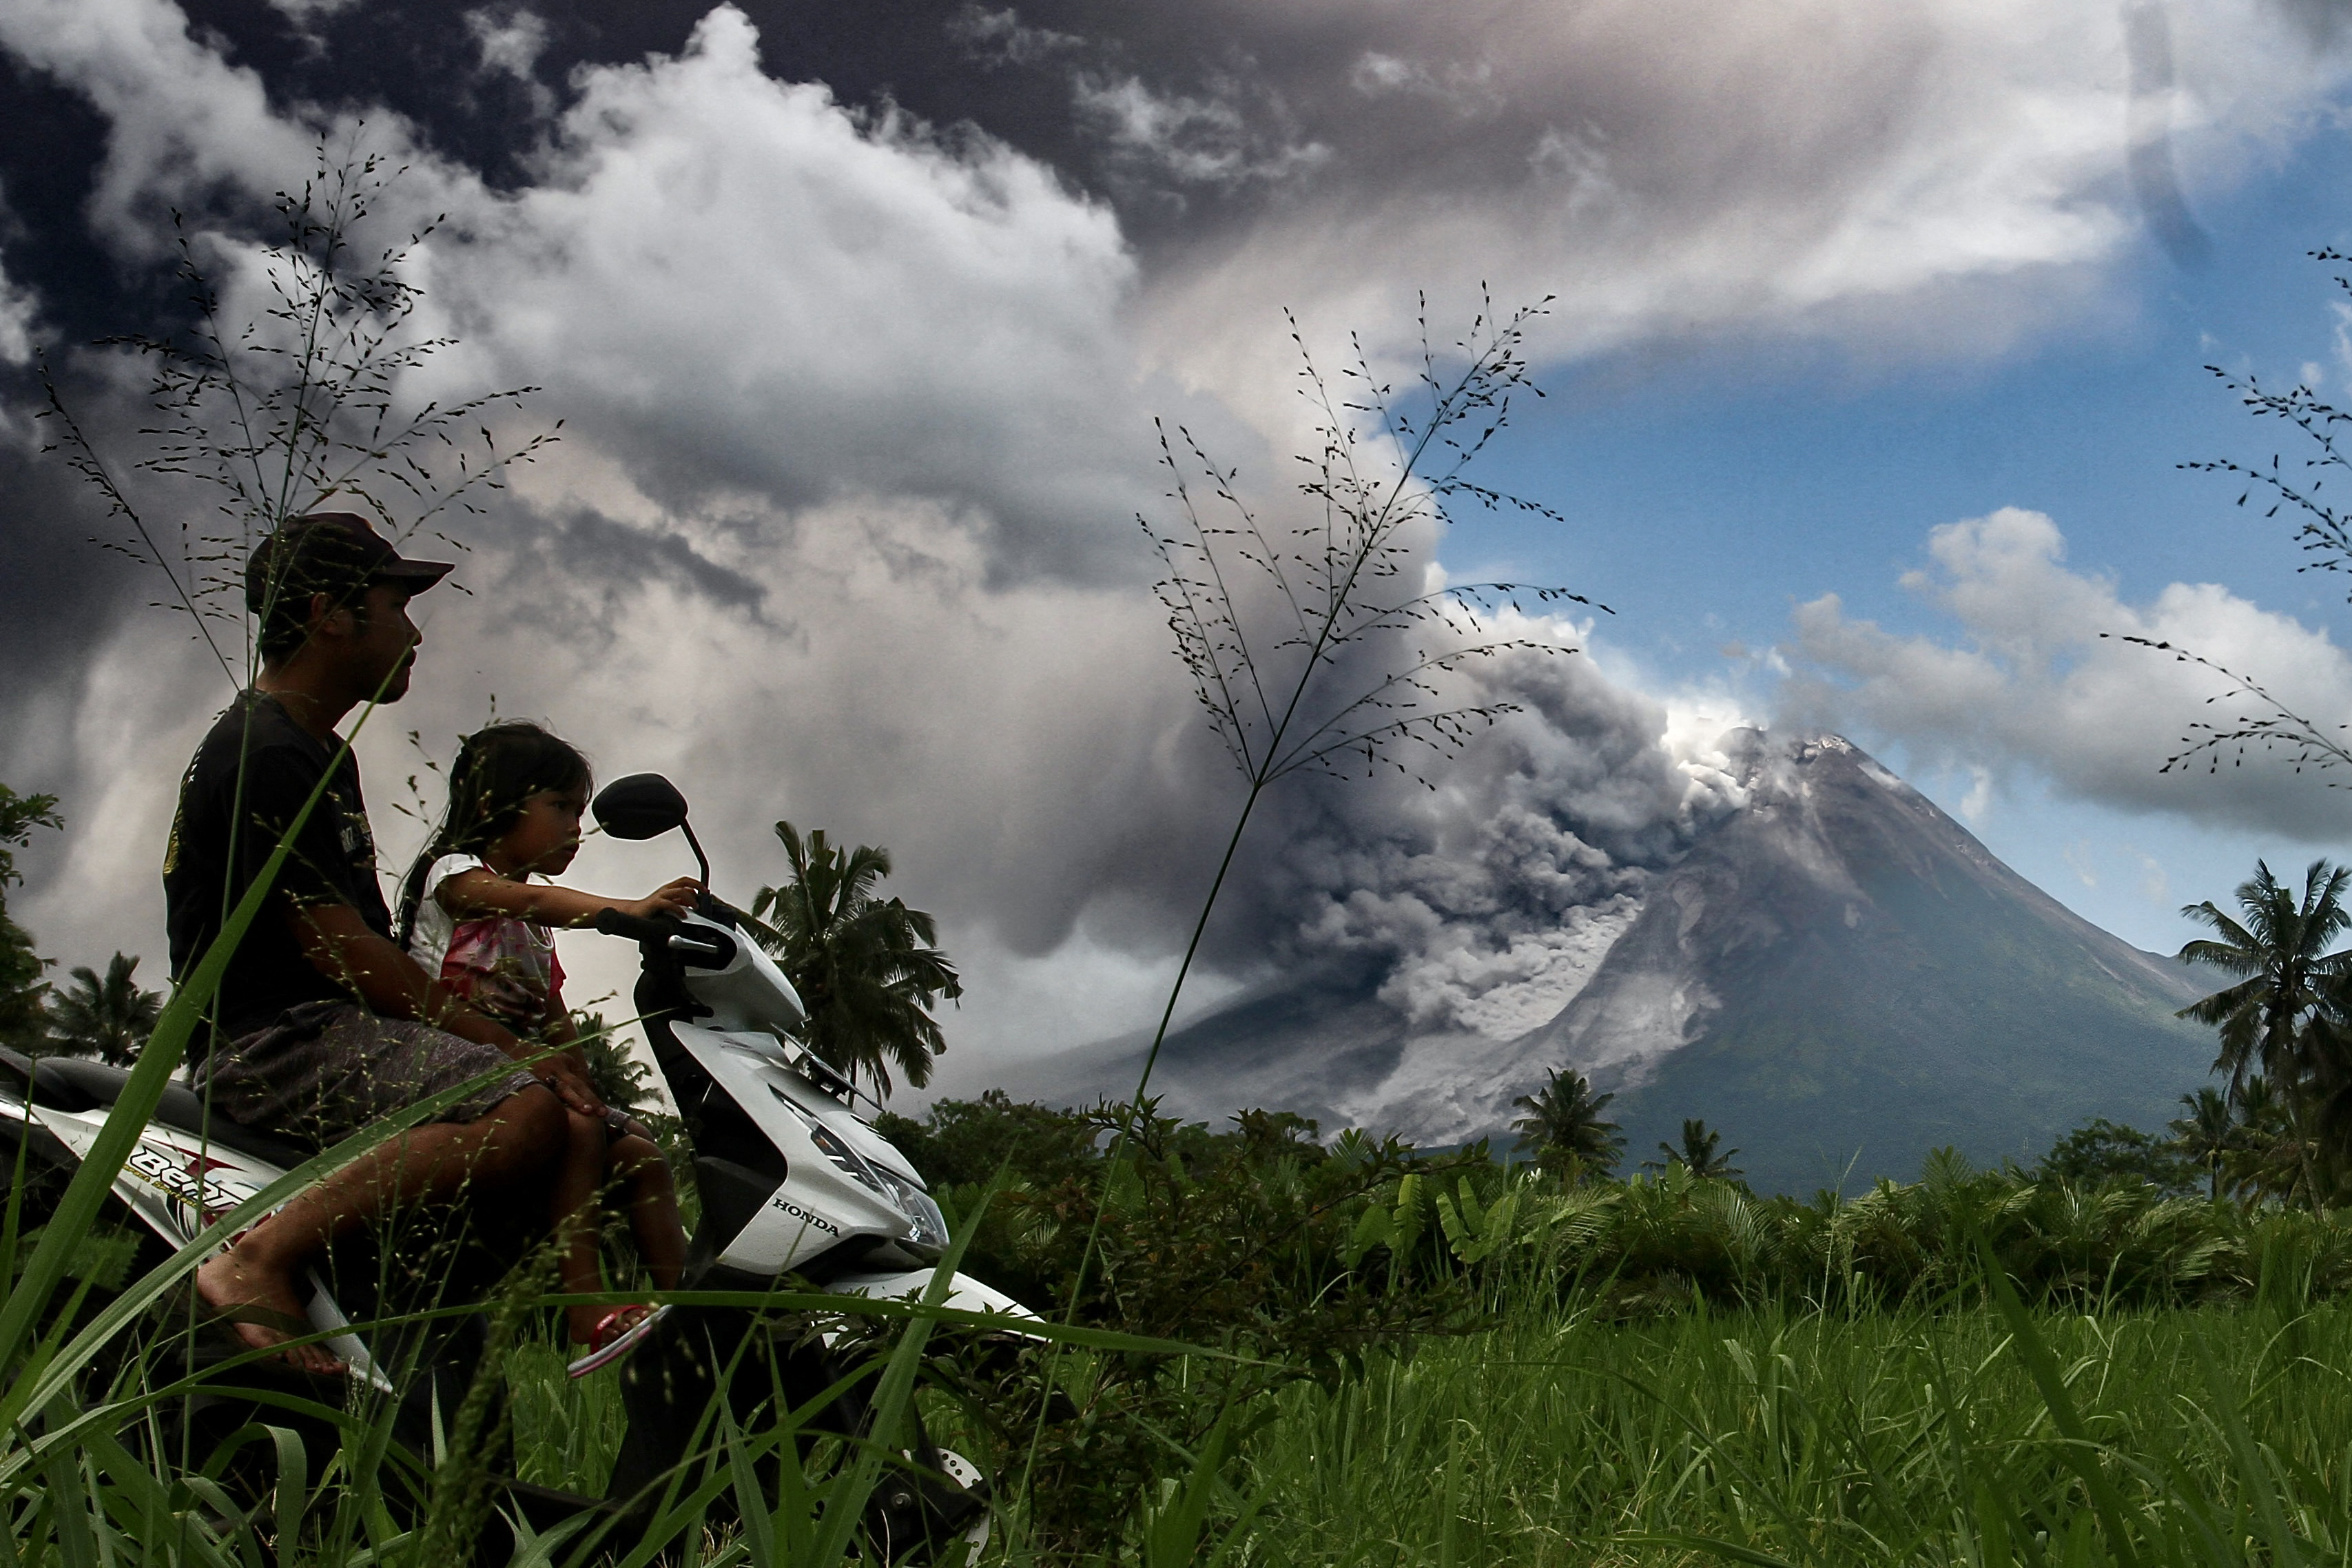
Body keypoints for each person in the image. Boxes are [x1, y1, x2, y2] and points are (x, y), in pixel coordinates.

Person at [164, 513, 595, 1374]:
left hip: (327, 1033)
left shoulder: (316, 750)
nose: (415, 630)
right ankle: (257, 1256)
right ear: (330, 613)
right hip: (276, 1042)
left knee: (593, 1135)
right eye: (395, 605)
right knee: (527, 1104)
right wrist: (509, 1047)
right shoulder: (265, 749)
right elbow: (343, 948)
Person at [396, 721, 697, 1345]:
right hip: (443, 1066)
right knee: (578, 1123)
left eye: (580, 812)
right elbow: (521, 900)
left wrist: (586, 1079)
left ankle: (695, 1321)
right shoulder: (454, 876)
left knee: (642, 1154)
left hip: (520, 1076)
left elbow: (553, 1012)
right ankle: (585, 1307)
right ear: (494, 804)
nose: (574, 828)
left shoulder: (533, 926)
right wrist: (622, 911)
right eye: (559, 806)